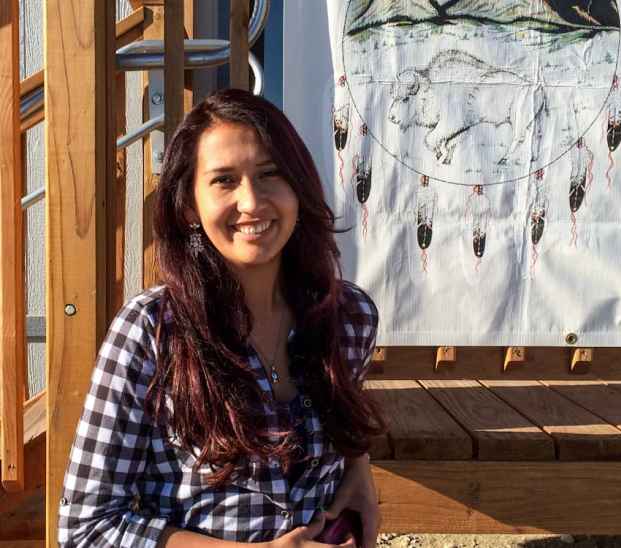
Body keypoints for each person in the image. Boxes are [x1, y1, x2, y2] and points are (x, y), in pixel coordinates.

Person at [58, 89, 386, 547]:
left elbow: (336, 420)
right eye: (225, 181)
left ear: (299, 186)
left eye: (270, 174)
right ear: (190, 206)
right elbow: (86, 528)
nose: (251, 202)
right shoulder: (151, 331)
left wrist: (358, 466)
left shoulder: (349, 317)